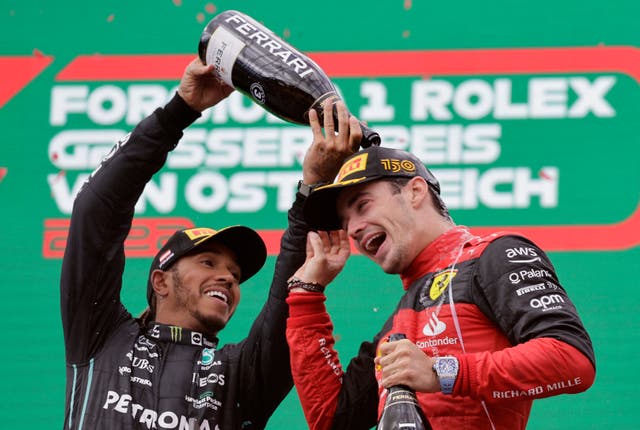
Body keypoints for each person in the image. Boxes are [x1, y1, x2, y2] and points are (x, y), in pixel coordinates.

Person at [60, 57, 361, 429]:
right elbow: (97, 210)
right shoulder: (100, 335)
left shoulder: (241, 376)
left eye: (234, 274)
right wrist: (178, 112)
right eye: (208, 263)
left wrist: (312, 187)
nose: (228, 278)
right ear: (160, 281)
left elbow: (286, 303)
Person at [285, 112, 596, 429]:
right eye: (345, 221)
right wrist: (305, 297)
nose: (352, 230)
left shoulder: (492, 256)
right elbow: (330, 419)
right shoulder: (401, 319)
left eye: (362, 205)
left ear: (415, 191)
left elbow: (573, 359)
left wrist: (442, 372)